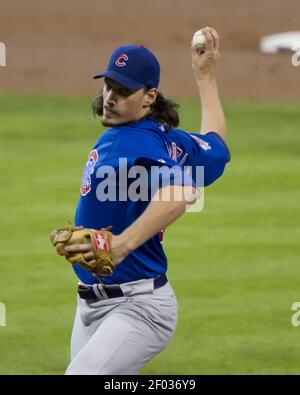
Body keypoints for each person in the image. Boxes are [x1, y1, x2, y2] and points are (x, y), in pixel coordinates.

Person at [60, 27, 230, 375]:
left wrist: (121, 245)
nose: (110, 97)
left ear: (149, 97)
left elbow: (181, 193)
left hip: (138, 306)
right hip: (92, 306)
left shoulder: (135, 143)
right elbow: (216, 146)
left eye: (123, 91)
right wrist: (205, 77)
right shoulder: (168, 140)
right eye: (109, 85)